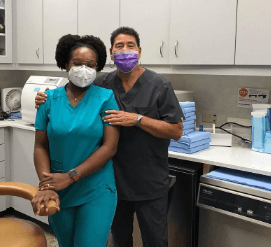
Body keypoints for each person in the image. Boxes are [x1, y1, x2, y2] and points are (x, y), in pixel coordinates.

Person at [35, 27, 184, 247]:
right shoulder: (101, 84)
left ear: (139, 51)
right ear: (112, 54)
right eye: (119, 46)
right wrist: (43, 97)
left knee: (155, 240)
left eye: (130, 46)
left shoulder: (159, 85)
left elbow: (177, 130)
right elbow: (74, 90)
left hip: (148, 180)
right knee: (120, 239)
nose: (125, 51)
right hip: (114, 179)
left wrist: (138, 119)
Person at [31, 34, 120, 247]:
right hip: (58, 187)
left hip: (96, 187)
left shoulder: (106, 98)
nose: (84, 69)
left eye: (91, 65)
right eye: (77, 63)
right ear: (65, 64)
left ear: (97, 67)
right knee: (66, 243)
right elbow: (40, 146)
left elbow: (109, 147)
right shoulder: (48, 100)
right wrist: (46, 185)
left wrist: (71, 176)